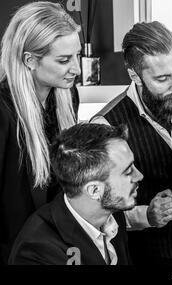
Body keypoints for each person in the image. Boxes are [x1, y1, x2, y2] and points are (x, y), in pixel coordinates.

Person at [9, 123, 172, 266]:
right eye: (127, 172)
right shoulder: (38, 251)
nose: (140, 177)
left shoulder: (111, 220)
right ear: (94, 189)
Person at [90, 21, 172, 265]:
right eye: (162, 78)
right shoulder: (106, 125)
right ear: (135, 75)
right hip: (141, 256)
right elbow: (98, 210)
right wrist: (145, 216)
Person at [0, 1, 81, 264]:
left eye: (77, 55)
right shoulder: (3, 111)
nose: (77, 69)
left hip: (53, 247)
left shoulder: (68, 97)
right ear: (30, 60)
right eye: (63, 60)